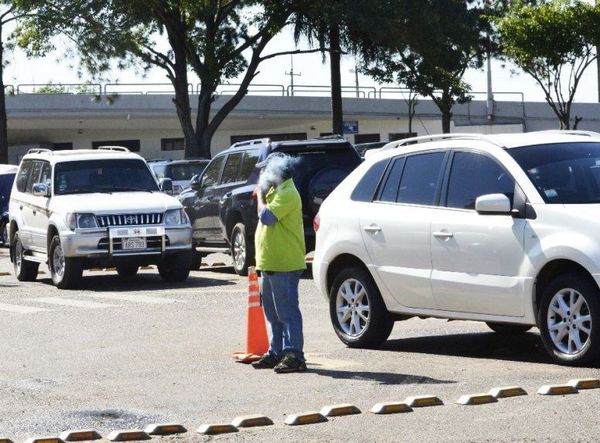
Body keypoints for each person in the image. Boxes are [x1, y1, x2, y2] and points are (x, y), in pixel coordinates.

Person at [251, 152, 307, 373]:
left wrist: (261, 198)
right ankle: (277, 351)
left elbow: (266, 217)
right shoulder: (276, 191)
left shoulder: (288, 193)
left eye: (265, 169)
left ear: (277, 171)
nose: (262, 174)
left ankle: (295, 355)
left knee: (287, 312)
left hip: (285, 263)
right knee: (273, 313)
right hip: (270, 262)